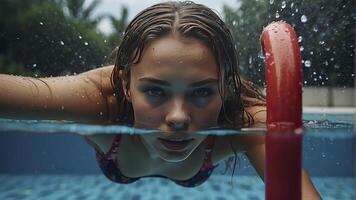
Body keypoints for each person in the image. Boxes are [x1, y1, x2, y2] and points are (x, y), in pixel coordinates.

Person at [0, 1, 320, 198]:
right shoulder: (100, 100)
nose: (178, 117)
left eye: (202, 91)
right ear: (126, 84)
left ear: (225, 86)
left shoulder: (244, 119)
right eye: (155, 91)